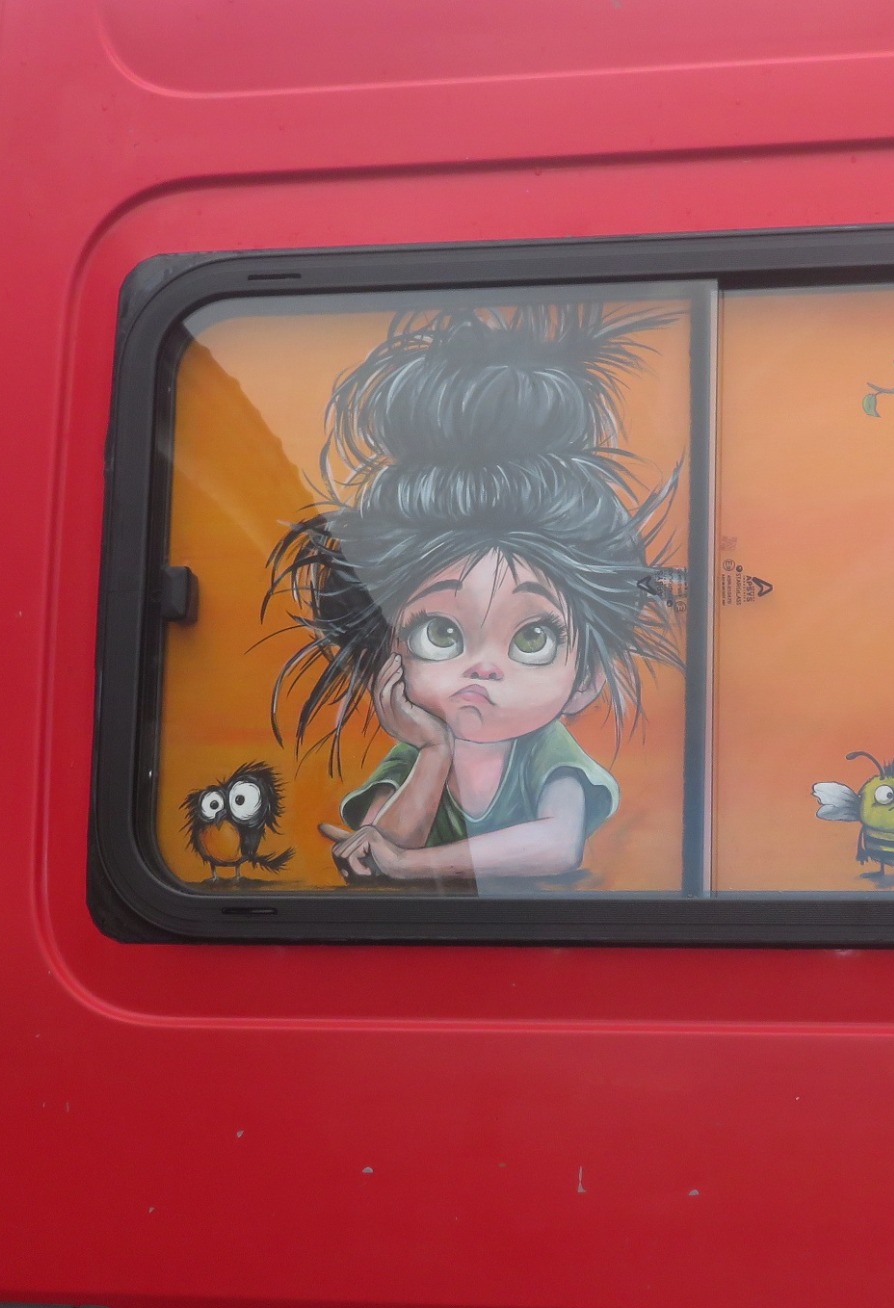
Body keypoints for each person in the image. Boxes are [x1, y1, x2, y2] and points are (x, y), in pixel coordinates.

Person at [264, 302, 681, 881]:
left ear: (586, 677)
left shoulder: (545, 749)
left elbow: (559, 844)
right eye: (440, 633)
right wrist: (433, 753)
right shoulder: (415, 751)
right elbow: (380, 850)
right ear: (389, 658)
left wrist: (411, 865)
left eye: (533, 638)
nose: (484, 669)